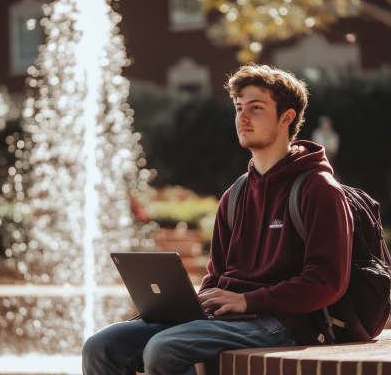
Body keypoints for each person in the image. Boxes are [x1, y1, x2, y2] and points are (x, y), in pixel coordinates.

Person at [82, 64, 353, 375]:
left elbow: (327, 282)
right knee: (101, 347)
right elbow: (217, 274)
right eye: (239, 108)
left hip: (286, 322)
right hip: (230, 318)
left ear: (286, 117)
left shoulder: (318, 189)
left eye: (256, 108)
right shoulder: (235, 195)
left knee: (165, 348)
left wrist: (249, 301)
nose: (243, 117)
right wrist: (200, 301)